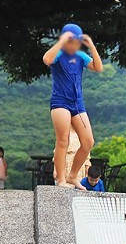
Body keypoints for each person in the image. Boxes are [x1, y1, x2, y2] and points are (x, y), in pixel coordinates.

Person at [42, 23, 102, 188]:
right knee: (63, 140)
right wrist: (61, 42)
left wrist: (91, 46)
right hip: (60, 102)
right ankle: (61, 179)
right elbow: (46, 59)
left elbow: (98, 67)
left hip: (77, 103)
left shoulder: (81, 56)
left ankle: (72, 176)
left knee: (88, 141)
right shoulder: (58, 54)